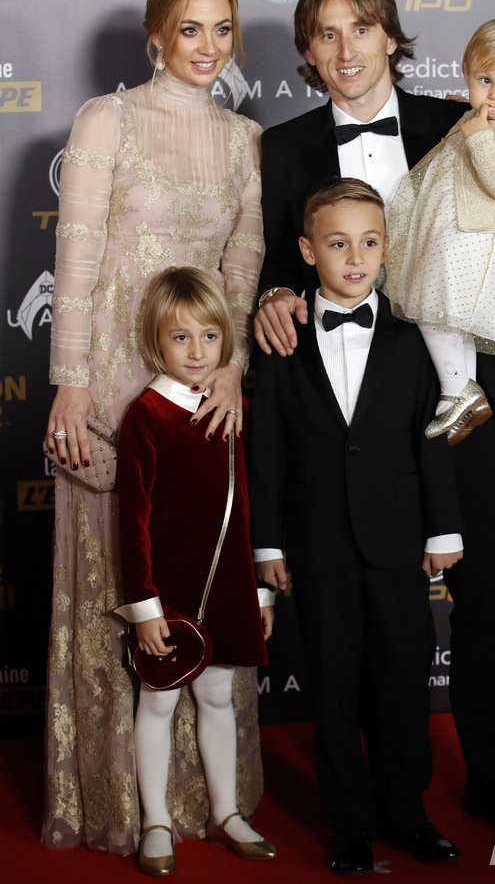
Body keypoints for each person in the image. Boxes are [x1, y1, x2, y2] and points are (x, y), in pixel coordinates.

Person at [254, 0, 495, 842]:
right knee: (373, 619)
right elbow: (276, 260)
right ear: (308, 52)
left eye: (362, 29)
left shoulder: (462, 122)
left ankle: (493, 778)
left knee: (484, 604)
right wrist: (272, 295)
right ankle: (388, 801)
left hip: (468, 409)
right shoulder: (282, 148)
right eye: (326, 35)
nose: (346, 50)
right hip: (359, 430)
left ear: (392, 36)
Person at [43, 0, 265, 853]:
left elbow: (240, 272)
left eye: (222, 30)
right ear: (156, 35)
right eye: (190, 30)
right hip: (109, 387)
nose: (207, 48)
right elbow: (80, 255)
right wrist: (69, 380)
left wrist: (235, 363)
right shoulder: (109, 118)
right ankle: (125, 806)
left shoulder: (246, 138)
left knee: (199, 581)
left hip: (200, 399)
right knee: (119, 584)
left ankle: (210, 802)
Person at [250, 178, 464, 874]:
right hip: (315, 544)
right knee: (334, 688)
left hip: (398, 539)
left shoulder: (408, 341)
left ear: (386, 250)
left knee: (404, 680)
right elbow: (268, 449)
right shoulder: (282, 339)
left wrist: (443, 531)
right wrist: (270, 542)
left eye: (370, 243)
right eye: (338, 244)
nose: (355, 258)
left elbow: (431, 437)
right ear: (309, 251)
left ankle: (408, 814)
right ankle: (352, 824)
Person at [114, 267, 275, 874]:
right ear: (156, 342)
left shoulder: (239, 411)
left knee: (218, 698)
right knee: (157, 704)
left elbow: (253, 507)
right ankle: (155, 819)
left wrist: (261, 590)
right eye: (180, 338)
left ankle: (225, 812)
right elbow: (134, 521)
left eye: (209, 336)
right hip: (170, 592)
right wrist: (146, 607)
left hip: (229, 585)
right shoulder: (147, 416)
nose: (197, 351)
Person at [387, 18, 495, 445]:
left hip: (482, 242)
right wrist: (469, 115)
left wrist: (479, 136)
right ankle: (461, 391)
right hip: (462, 236)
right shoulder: (481, 117)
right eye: (484, 80)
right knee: (446, 316)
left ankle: (457, 389)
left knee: (430, 306)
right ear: (467, 74)